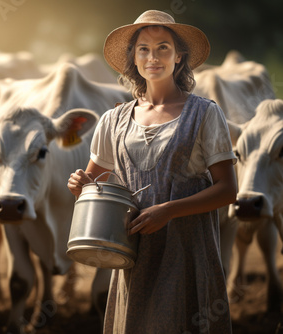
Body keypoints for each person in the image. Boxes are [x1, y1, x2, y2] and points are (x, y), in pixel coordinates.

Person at [67, 10, 237, 334]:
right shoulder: (113, 119)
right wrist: (81, 185)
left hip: (187, 255)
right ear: (133, 56)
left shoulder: (205, 114)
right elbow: (94, 183)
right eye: (143, 48)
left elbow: (228, 190)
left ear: (179, 56)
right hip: (133, 255)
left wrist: (170, 210)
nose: (153, 57)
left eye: (163, 47)